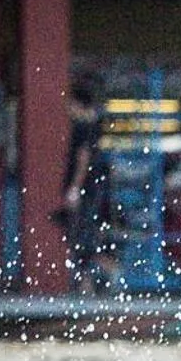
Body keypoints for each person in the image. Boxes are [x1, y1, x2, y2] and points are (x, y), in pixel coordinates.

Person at [59, 87, 111, 292]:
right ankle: (87, 280)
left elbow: (83, 158)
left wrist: (75, 188)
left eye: (71, 104)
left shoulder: (83, 128)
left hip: (86, 190)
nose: (68, 109)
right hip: (92, 188)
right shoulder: (94, 126)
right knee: (83, 235)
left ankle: (90, 280)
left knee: (82, 235)